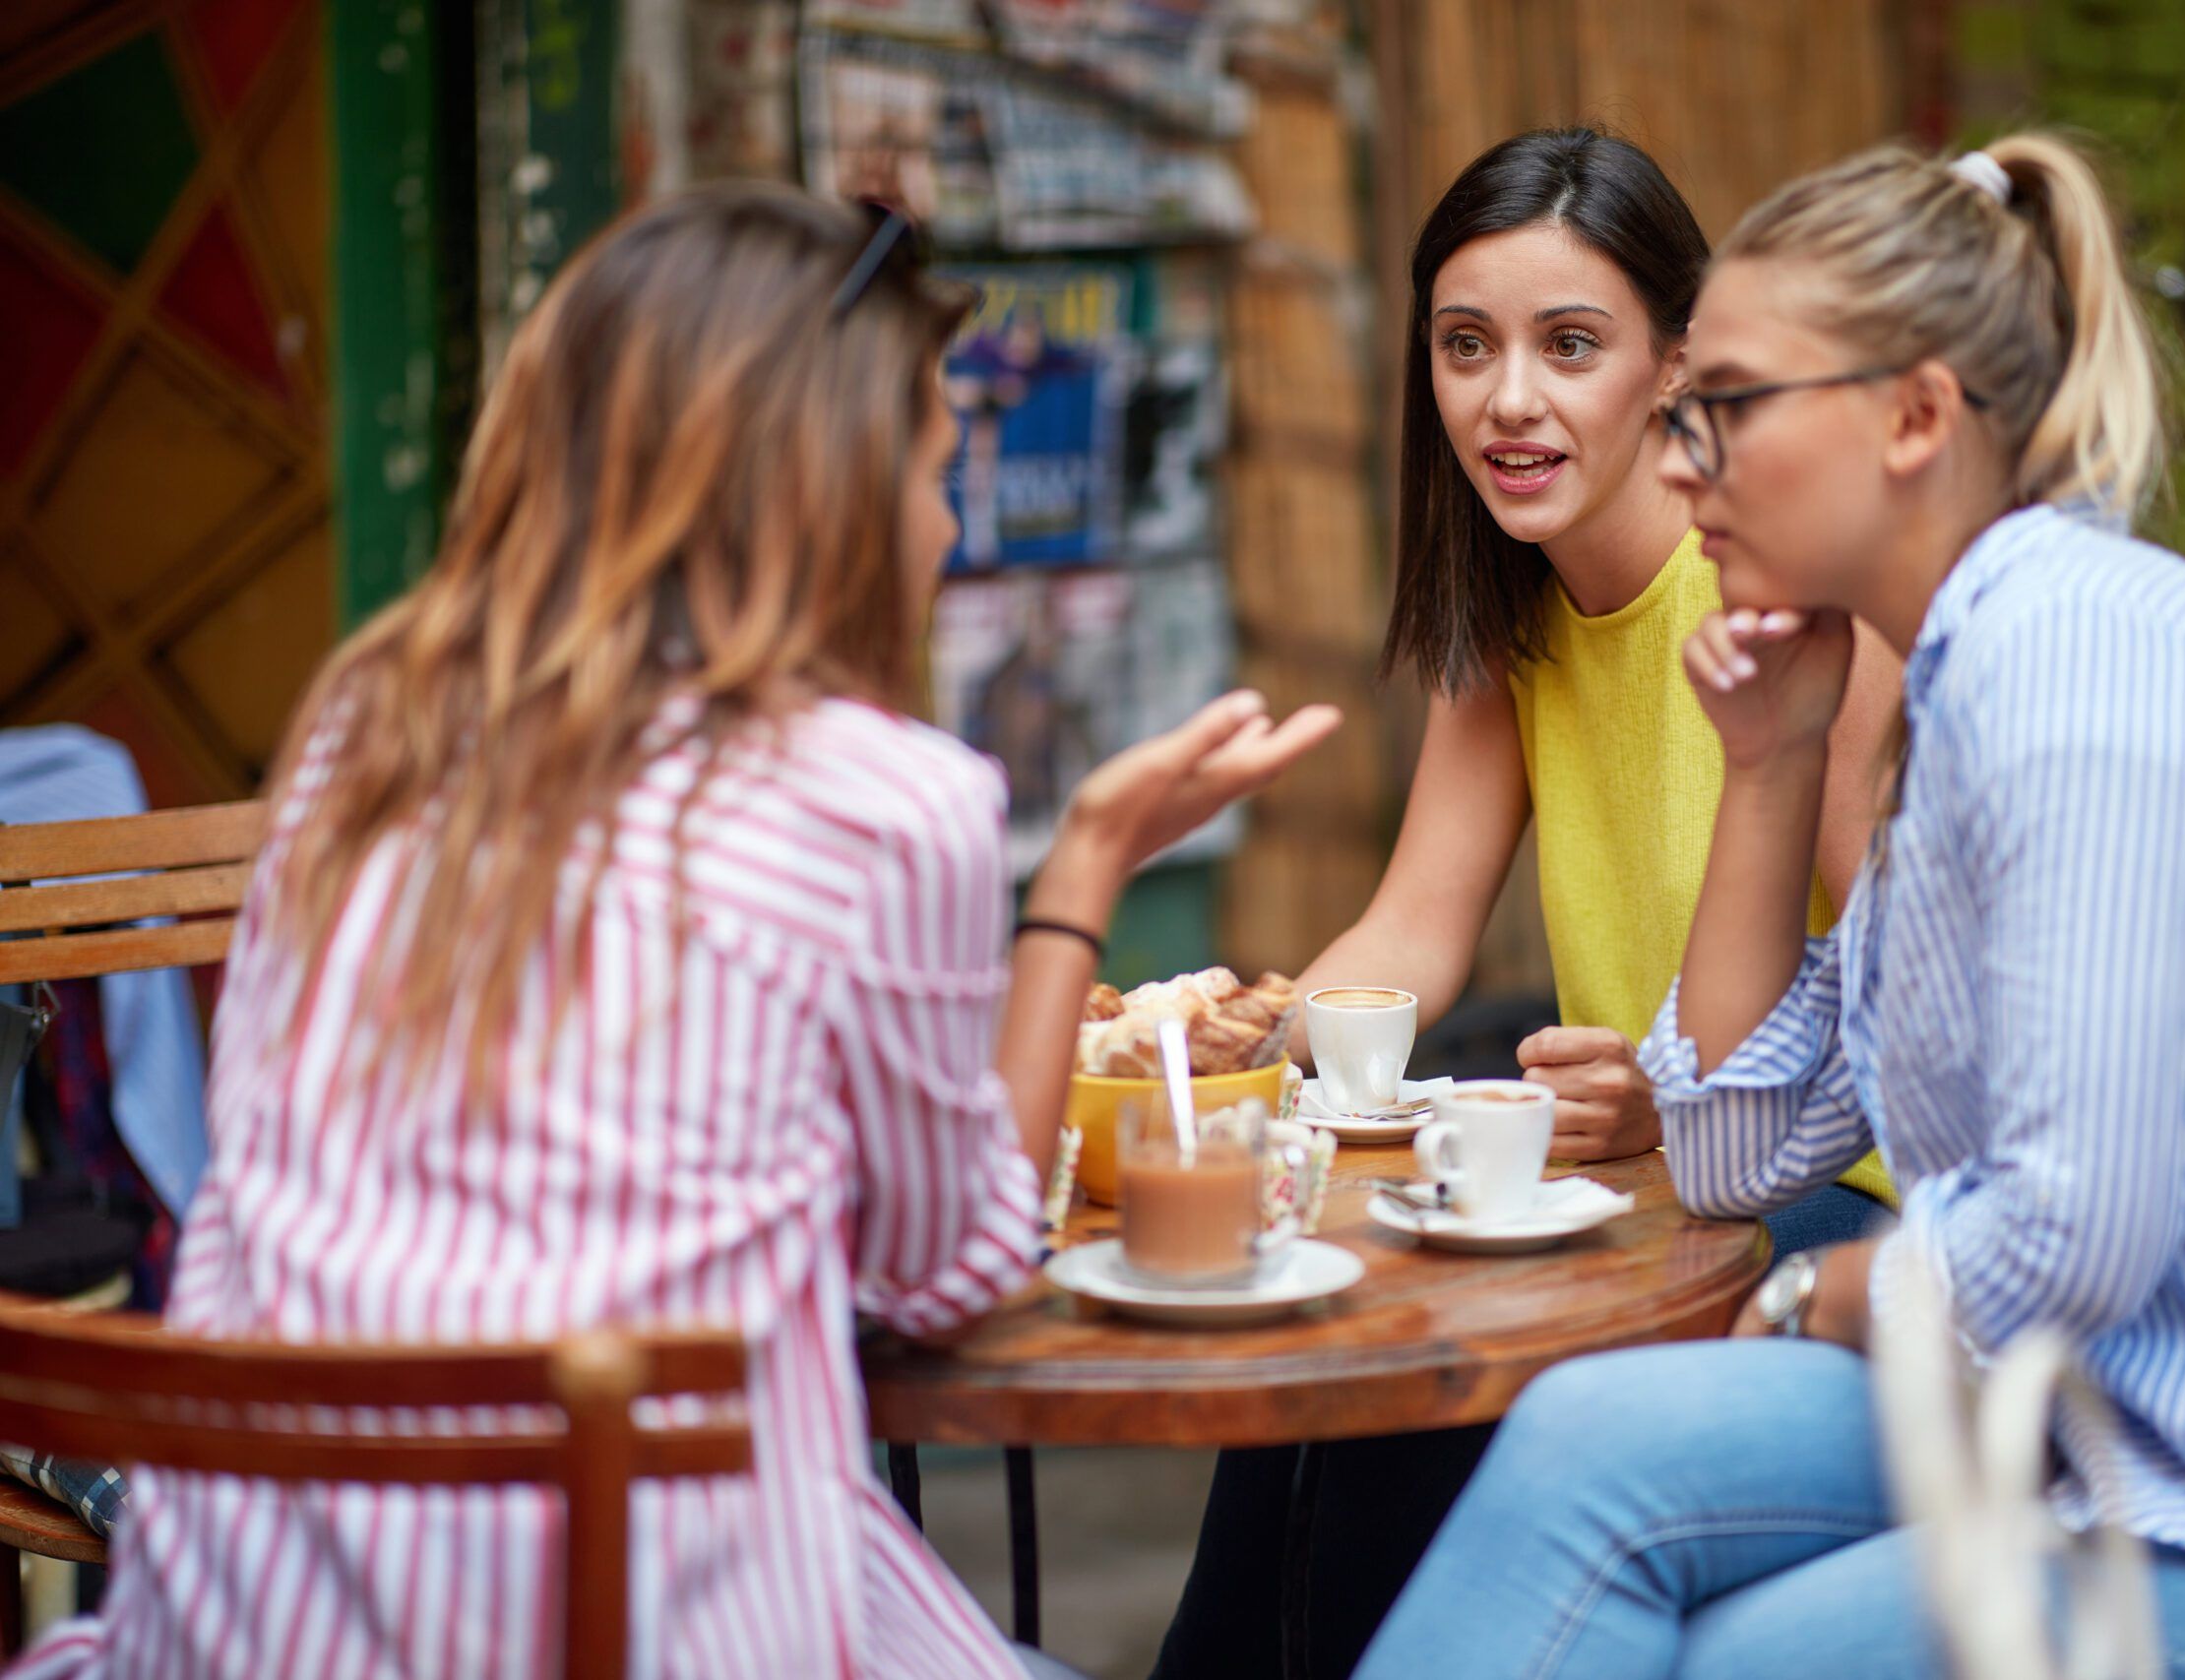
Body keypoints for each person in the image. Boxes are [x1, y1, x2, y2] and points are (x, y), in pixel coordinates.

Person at [9, 184, 1337, 1680]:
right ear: (823, 490)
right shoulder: (885, 801)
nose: (946, 520)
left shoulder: (364, 723)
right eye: (929, 462)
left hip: (247, 1623)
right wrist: (1081, 872)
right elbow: (947, 1270)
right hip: (630, 1617)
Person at [1352, 132, 2185, 1680]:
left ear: (1917, 417)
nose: (1682, 459)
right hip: (2088, 1395)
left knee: (1726, 1659)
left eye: (1732, 411)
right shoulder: (1948, 680)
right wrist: (1766, 765)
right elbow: (1732, 1149)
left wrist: (1801, 1294)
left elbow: (2068, 1239)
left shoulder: (2075, 672)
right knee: (1582, 1441)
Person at [1154, 128, 1902, 1680]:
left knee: (1422, 1408)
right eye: (1465, 347)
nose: (1510, 401)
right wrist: (1238, 1033)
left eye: (1571, 347)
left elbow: (1925, 1012)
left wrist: (1691, 1100)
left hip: (1842, 1206)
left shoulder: (1782, 599)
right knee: (1315, 1328)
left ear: (1678, 365)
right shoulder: (1516, 611)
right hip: (1639, 1191)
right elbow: (1414, 934)